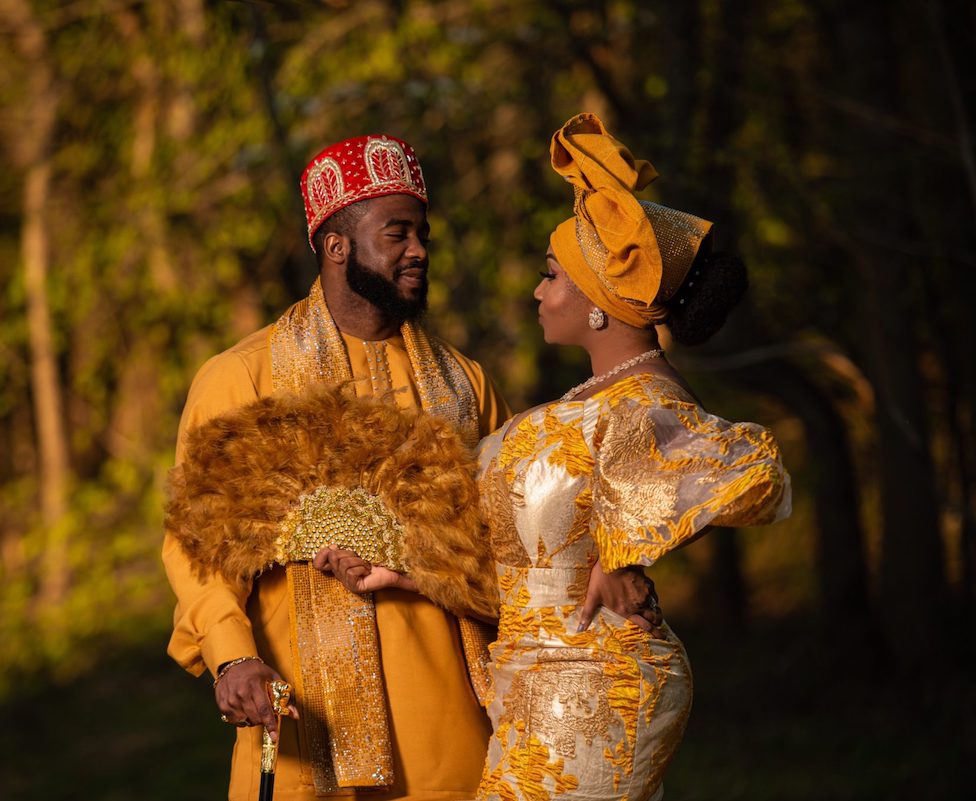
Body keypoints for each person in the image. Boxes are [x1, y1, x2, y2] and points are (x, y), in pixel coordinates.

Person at [317, 113, 791, 801]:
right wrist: (404, 571)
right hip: (529, 681)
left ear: (599, 303)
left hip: (599, 680)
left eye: (551, 276)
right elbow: (523, 563)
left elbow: (751, 470)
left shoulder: (644, 402)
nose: (539, 292)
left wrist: (626, 550)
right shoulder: (577, 403)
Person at [162, 133, 511, 801]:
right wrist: (233, 656)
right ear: (336, 245)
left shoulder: (465, 383)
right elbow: (198, 545)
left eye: (423, 233)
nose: (419, 249)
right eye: (397, 233)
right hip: (303, 729)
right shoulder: (243, 377)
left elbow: (518, 538)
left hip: (455, 737)